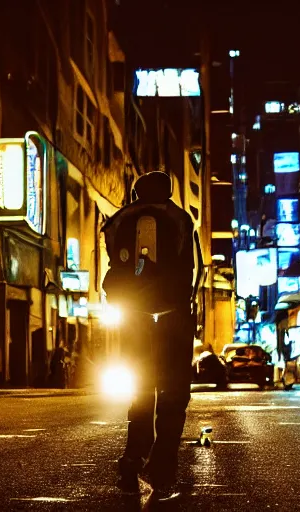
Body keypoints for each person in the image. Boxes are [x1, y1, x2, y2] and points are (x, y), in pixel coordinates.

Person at [101, 171, 203, 498]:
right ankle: (162, 470)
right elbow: (197, 270)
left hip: (133, 318)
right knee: (173, 395)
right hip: (173, 317)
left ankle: (134, 455)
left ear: (135, 192)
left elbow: (114, 266)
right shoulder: (181, 219)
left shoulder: (119, 219)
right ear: (168, 192)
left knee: (140, 390)